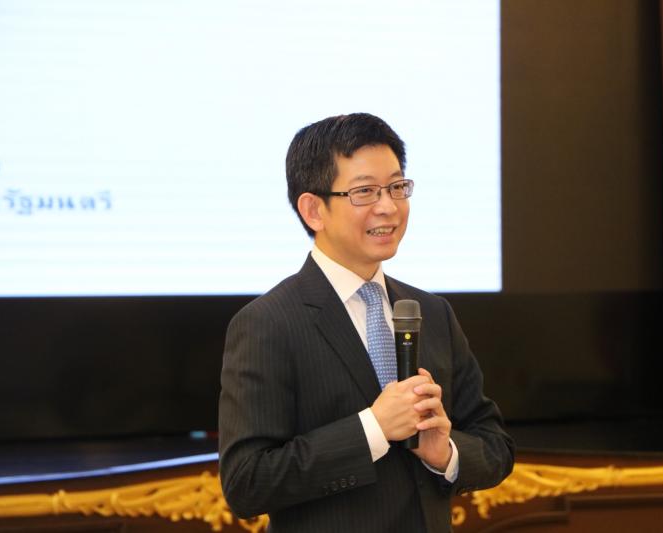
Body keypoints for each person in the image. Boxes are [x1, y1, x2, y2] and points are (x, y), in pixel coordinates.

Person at [218, 113, 515, 532]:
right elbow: (247, 482)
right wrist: (373, 429)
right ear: (313, 210)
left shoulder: (432, 312)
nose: (388, 207)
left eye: (397, 187)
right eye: (365, 192)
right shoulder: (267, 323)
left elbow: (496, 447)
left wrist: (445, 452)